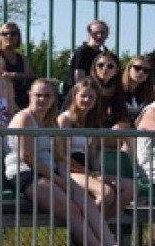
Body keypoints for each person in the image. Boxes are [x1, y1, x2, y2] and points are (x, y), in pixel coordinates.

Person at [5, 78, 136, 246]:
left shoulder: (50, 122)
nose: (42, 100)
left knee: (87, 203)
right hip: (27, 173)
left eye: (47, 96)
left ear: (54, 99)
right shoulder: (24, 118)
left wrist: (66, 179)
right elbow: (28, 157)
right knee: (73, 211)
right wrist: (58, 180)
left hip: (52, 172)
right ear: (29, 96)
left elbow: (59, 157)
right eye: (38, 95)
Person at [57, 78, 134, 220]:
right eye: (83, 96)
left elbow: (91, 154)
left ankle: (99, 225)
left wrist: (97, 172)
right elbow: (63, 155)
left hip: (86, 168)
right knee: (106, 193)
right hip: (69, 169)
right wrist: (88, 172)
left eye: (91, 97)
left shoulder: (93, 122)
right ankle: (86, 227)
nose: (87, 100)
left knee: (131, 188)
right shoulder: (65, 120)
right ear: (75, 97)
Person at [0, 22, 34, 109]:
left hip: (23, 96)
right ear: (0, 37)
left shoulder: (23, 58)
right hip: (2, 96)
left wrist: (13, 75)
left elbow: (30, 76)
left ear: (18, 37)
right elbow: (1, 75)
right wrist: (20, 76)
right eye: (5, 34)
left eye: (13, 34)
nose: (9, 36)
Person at [89, 52, 130, 130]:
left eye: (110, 66)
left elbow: (121, 114)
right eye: (100, 65)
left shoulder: (117, 89)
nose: (105, 69)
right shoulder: (86, 86)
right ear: (94, 68)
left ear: (116, 71)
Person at [69, 19, 110, 85]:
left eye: (103, 33)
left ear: (107, 35)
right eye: (96, 33)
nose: (99, 36)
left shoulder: (104, 54)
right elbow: (79, 81)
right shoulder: (82, 52)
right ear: (89, 34)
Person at [121, 55, 154, 125]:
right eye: (137, 68)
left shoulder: (149, 93)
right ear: (129, 69)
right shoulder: (117, 89)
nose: (141, 72)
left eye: (146, 70)